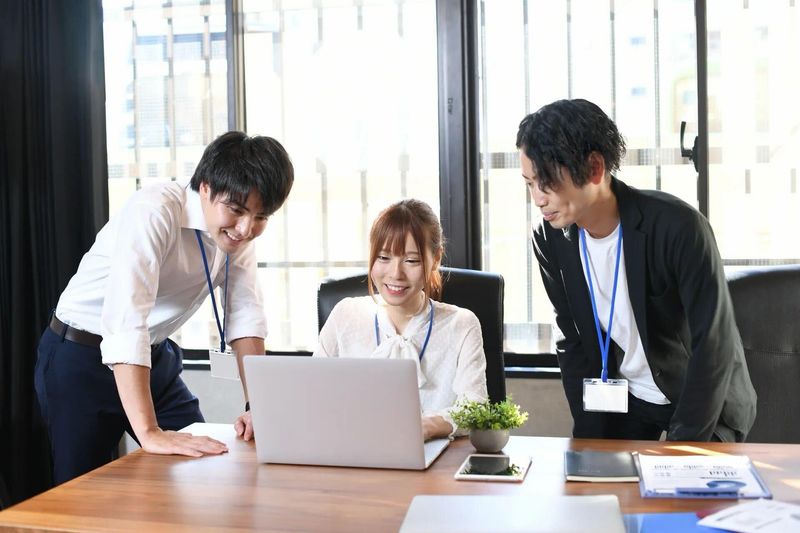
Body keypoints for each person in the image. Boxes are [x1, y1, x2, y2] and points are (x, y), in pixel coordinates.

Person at [34, 131, 294, 484]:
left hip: (152, 357)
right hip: (80, 357)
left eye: (261, 216)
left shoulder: (236, 235)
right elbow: (127, 321)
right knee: (81, 493)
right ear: (206, 187)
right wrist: (150, 432)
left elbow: (245, 315)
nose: (246, 228)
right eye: (236, 210)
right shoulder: (154, 210)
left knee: (203, 464)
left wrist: (257, 407)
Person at [516, 99, 756, 442]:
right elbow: (572, 336)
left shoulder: (678, 227)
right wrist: (589, 438)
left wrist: (684, 447)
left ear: (594, 167)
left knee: (684, 477)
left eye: (547, 181)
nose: (538, 199)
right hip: (627, 399)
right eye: (529, 183)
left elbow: (713, 344)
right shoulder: (550, 238)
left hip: (702, 399)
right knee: (595, 474)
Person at [313, 199, 488, 440]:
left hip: (433, 456)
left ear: (436, 258)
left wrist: (427, 426)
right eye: (384, 258)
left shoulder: (461, 324)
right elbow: (312, 392)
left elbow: (476, 408)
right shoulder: (346, 315)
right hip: (353, 451)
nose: (395, 274)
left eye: (411, 260)